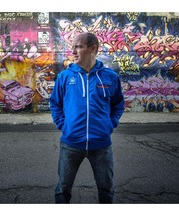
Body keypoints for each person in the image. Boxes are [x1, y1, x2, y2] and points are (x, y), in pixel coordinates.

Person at [50, 32, 125, 204]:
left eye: (79, 47)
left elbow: (118, 104)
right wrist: (64, 125)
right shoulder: (65, 77)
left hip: (101, 146)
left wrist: (109, 124)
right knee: (62, 190)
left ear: (92, 49)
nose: (74, 52)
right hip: (71, 144)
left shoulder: (110, 77)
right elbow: (55, 103)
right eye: (73, 47)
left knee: (106, 190)